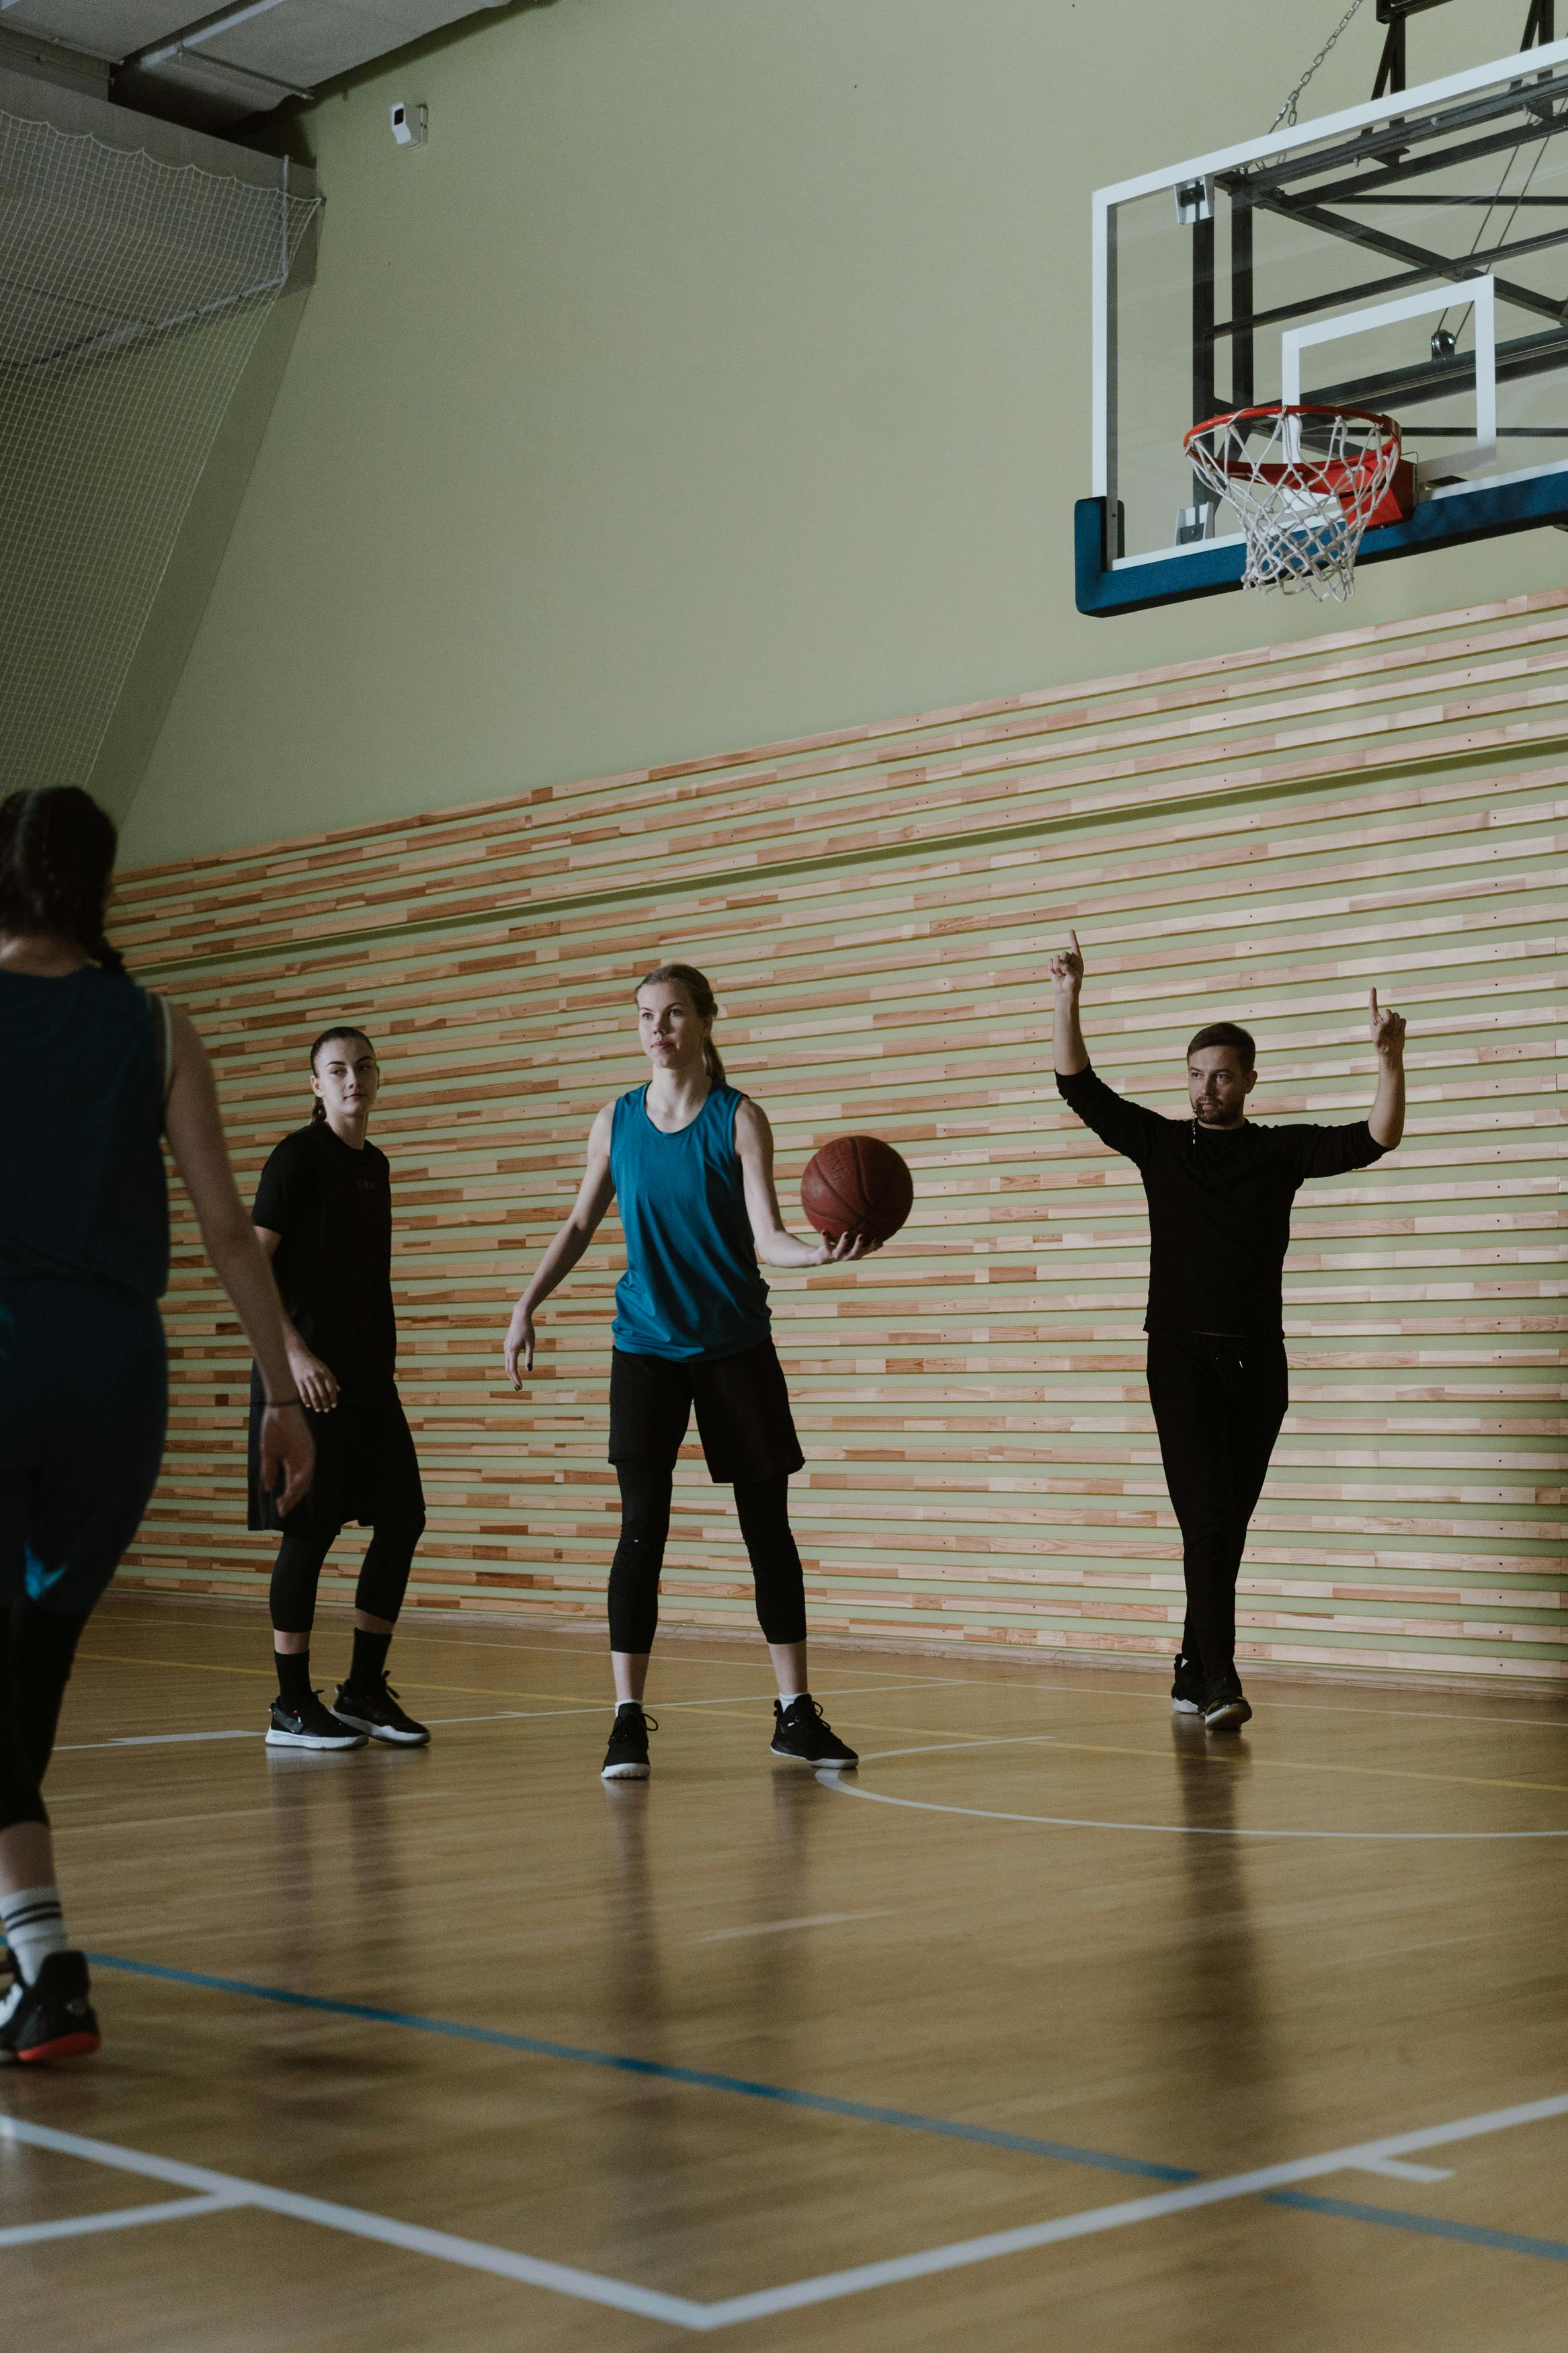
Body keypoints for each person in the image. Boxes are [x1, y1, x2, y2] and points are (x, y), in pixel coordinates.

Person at [0, 786, 313, 2063]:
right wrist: (283, 1394)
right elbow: (229, 1230)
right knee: (29, 1675)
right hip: (119, 1381)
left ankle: (46, 1958)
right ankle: (31, 1969)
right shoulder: (159, 1025)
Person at [504, 963, 872, 1780]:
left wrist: (811, 1254)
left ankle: (794, 1714)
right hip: (645, 1348)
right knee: (642, 1531)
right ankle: (626, 1720)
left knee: (766, 1533)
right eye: (644, 1016)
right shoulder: (614, 1121)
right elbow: (577, 1220)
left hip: (735, 1344)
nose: (657, 1029)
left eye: (672, 1014)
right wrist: (526, 1303)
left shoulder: (740, 1118)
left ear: (706, 1020)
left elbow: (765, 1233)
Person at [1049, 929, 1405, 1732]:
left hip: (1257, 1363)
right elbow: (1078, 1085)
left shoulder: (1277, 1153)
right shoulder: (1159, 1145)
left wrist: (1388, 1060)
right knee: (1206, 1517)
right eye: (1195, 1076)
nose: (1205, 1088)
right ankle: (1219, 1680)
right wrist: (1068, 991)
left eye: (1221, 1077)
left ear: (1248, 1080)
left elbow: (1375, 1137)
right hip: (1176, 1355)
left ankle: (1188, 1661)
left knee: (1225, 1524)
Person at [251, 1026, 429, 1749]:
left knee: (404, 1515)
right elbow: (252, 1265)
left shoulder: (376, 1164)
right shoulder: (295, 1159)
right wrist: (292, 1356)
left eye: (362, 1066)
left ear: (376, 1077)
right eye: (336, 1069)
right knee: (309, 1532)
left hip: (368, 1382)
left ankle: (361, 1688)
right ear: (316, 1086)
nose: (352, 1077)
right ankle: (290, 1705)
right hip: (303, 1381)